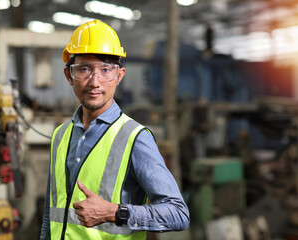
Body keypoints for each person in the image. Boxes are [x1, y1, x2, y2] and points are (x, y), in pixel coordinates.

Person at [40, 19, 190, 240]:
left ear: (119, 76)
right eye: (83, 69)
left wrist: (114, 212)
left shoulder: (134, 139)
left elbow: (178, 213)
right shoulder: (60, 135)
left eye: (105, 70)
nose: (94, 81)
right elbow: (50, 215)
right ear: (68, 75)